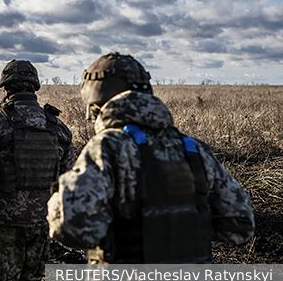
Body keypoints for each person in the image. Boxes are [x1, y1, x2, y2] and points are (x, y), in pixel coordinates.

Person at [47, 52, 255, 263]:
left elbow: (72, 227)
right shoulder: (192, 148)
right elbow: (240, 226)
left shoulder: (107, 147)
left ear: (95, 103)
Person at [0, 60, 75, 281]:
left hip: (4, 223)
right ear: (34, 86)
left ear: (6, 87)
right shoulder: (57, 127)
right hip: (41, 225)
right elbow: (68, 178)